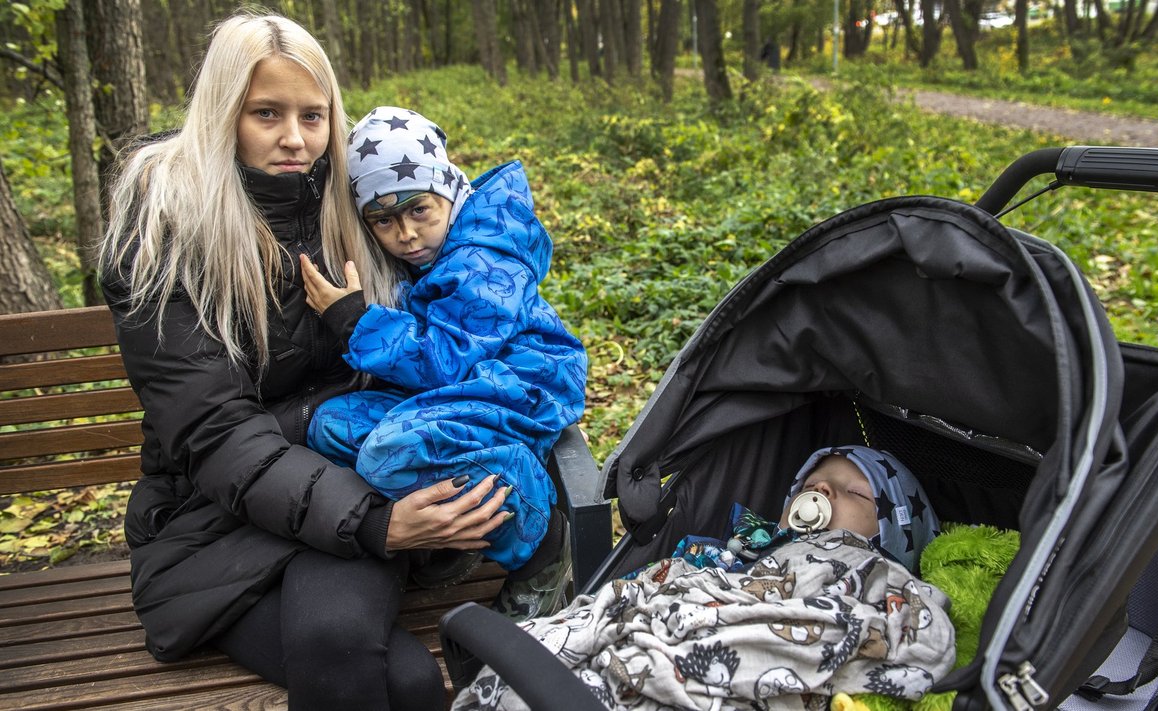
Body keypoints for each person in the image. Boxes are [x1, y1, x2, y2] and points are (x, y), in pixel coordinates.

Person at [98, 13, 509, 710]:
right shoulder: (166, 230)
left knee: (396, 672)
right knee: (391, 673)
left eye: (312, 116)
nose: (295, 137)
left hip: (346, 484)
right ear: (224, 112)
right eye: (266, 113)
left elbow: (466, 303)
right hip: (214, 517)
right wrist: (375, 523)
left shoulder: (353, 205)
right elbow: (214, 430)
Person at [300, 106, 588, 621]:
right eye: (383, 220)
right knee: (331, 427)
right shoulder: (430, 254)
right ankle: (456, 534)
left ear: (449, 192)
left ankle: (540, 541)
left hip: (521, 383)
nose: (406, 234)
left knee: (386, 452)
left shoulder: (484, 257)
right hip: (466, 387)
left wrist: (353, 320)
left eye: (419, 210)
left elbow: (445, 360)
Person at [452, 445, 954, 711]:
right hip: (673, 619)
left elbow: (913, 633)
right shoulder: (736, 552)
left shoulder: (873, 566)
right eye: (814, 482)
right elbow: (658, 586)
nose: (823, 488)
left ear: (893, 528)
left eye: (850, 491)